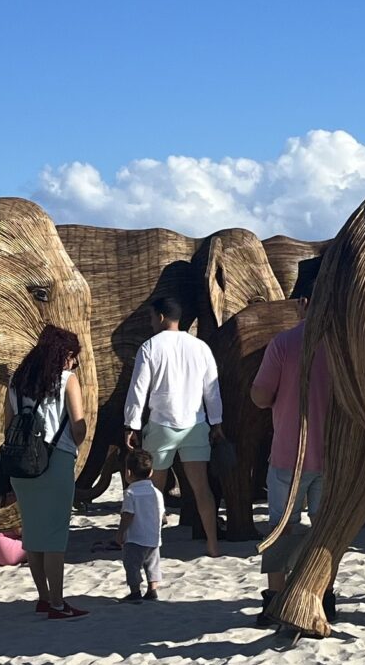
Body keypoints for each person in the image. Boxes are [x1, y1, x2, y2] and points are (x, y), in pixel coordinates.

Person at [250, 262, 334, 623]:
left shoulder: (283, 344)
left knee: (281, 528)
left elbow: (260, 395)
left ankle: (276, 596)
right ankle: (324, 595)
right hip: (331, 457)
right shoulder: (342, 346)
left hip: (288, 453)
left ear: (302, 302)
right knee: (325, 530)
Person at [123, 293, 225, 557]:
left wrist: (131, 423)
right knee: (201, 488)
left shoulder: (150, 347)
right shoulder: (200, 347)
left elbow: (138, 390)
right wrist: (217, 422)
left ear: (159, 317)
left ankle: (154, 542)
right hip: (196, 423)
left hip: (162, 424)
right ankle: (212, 544)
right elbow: (211, 389)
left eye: (150, 317)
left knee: (154, 489)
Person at [7, 324, 90, 618]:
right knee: (55, 537)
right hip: (55, 461)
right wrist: (83, 433)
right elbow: (78, 427)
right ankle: (57, 602)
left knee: (34, 535)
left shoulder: (17, 381)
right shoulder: (67, 380)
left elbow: (9, 424)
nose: (75, 361)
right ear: (64, 354)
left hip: (22, 466)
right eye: (73, 355)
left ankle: (43, 597)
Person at [120, 451, 164, 602]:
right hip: (153, 537)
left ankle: (135, 591)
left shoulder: (130, 492)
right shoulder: (157, 493)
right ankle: (153, 590)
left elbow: (127, 515)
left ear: (128, 472)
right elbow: (162, 514)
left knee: (132, 565)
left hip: (135, 538)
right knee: (152, 564)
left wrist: (121, 533)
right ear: (151, 472)